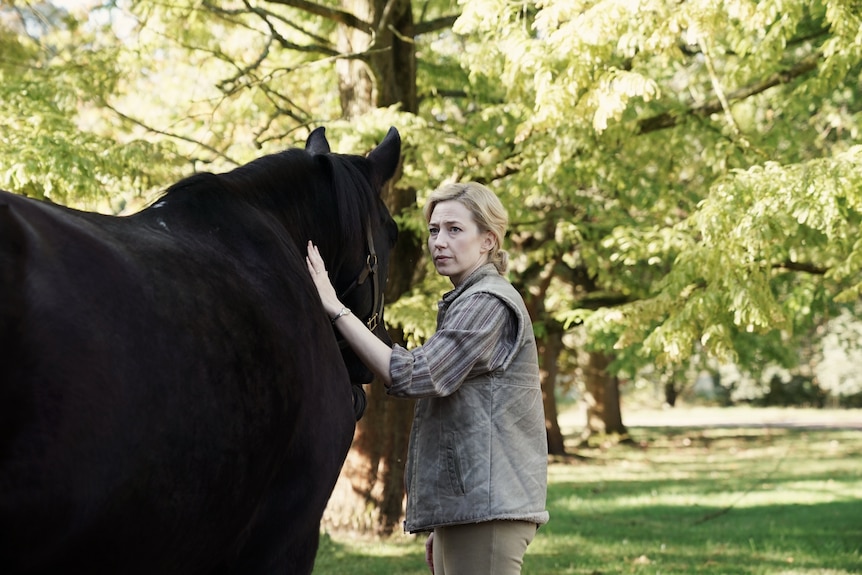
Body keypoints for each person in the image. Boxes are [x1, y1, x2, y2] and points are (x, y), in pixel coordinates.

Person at [306, 181, 549, 575]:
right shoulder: (467, 301)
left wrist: (335, 308)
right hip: (471, 511)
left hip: (487, 512)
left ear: (488, 240)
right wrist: (446, 519)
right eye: (434, 230)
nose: (439, 241)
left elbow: (419, 374)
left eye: (455, 230)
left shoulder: (488, 302)